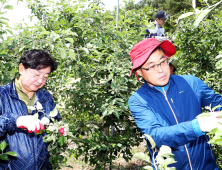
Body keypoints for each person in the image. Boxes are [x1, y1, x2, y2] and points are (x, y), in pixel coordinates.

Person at [128, 38, 221, 170]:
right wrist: (197, 126)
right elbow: (156, 135)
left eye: (162, 62)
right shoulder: (139, 100)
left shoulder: (191, 83)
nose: (160, 70)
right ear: (139, 71)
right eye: (152, 66)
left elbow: (218, 105)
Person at [0, 49, 61, 169]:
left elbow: (55, 121)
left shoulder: (46, 97)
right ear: (21, 68)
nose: (40, 81)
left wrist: (58, 128)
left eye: (45, 77)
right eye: (36, 75)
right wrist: (15, 121)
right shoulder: (2, 95)